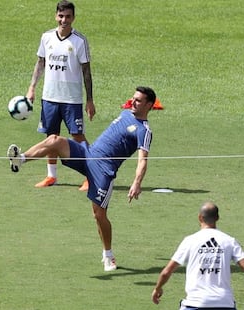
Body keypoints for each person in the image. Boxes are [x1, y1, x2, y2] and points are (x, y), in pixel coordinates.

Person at [8, 86, 156, 271]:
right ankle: (20, 160)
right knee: (54, 140)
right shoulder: (126, 112)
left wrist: (136, 183)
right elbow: (132, 104)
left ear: (149, 105)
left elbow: (143, 160)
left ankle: (108, 255)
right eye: (133, 98)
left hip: (103, 171)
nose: (133, 102)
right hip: (87, 153)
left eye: (139, 100)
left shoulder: (144, 131)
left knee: (99, 215)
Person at [26, 0, 96, 190]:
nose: (64, 20)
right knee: (51, 137)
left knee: (78, 136)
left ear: (73, 18)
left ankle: (92, 174)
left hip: (72, 99)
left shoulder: (79, 41)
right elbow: (40, 63)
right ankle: (51, 176)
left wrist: (90, 100)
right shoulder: (46, 37)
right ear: (56, 16)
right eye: (61, 16)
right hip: (49, 97)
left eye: (68, 16)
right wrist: (32, 88)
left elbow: (86, 72)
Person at [152, 202, 244, 310]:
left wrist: (158, 288)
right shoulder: (229, 241)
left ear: (200, 217)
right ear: (217, 218)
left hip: (195, 304)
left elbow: (166, 272)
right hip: (225, 303)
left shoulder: (190, 241)